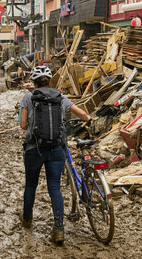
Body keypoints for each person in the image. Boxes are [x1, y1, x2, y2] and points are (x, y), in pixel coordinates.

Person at [19, 66, 91, 245]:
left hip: (34, 149)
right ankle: (59, 229)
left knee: (31, 185)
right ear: (49, 80)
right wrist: (89, 120)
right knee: (54, 188)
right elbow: (82, 114)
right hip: (57, 149)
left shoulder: (28, 97)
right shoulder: (61, 97)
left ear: (34, 82)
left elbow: (22, 124)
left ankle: (27, 220)